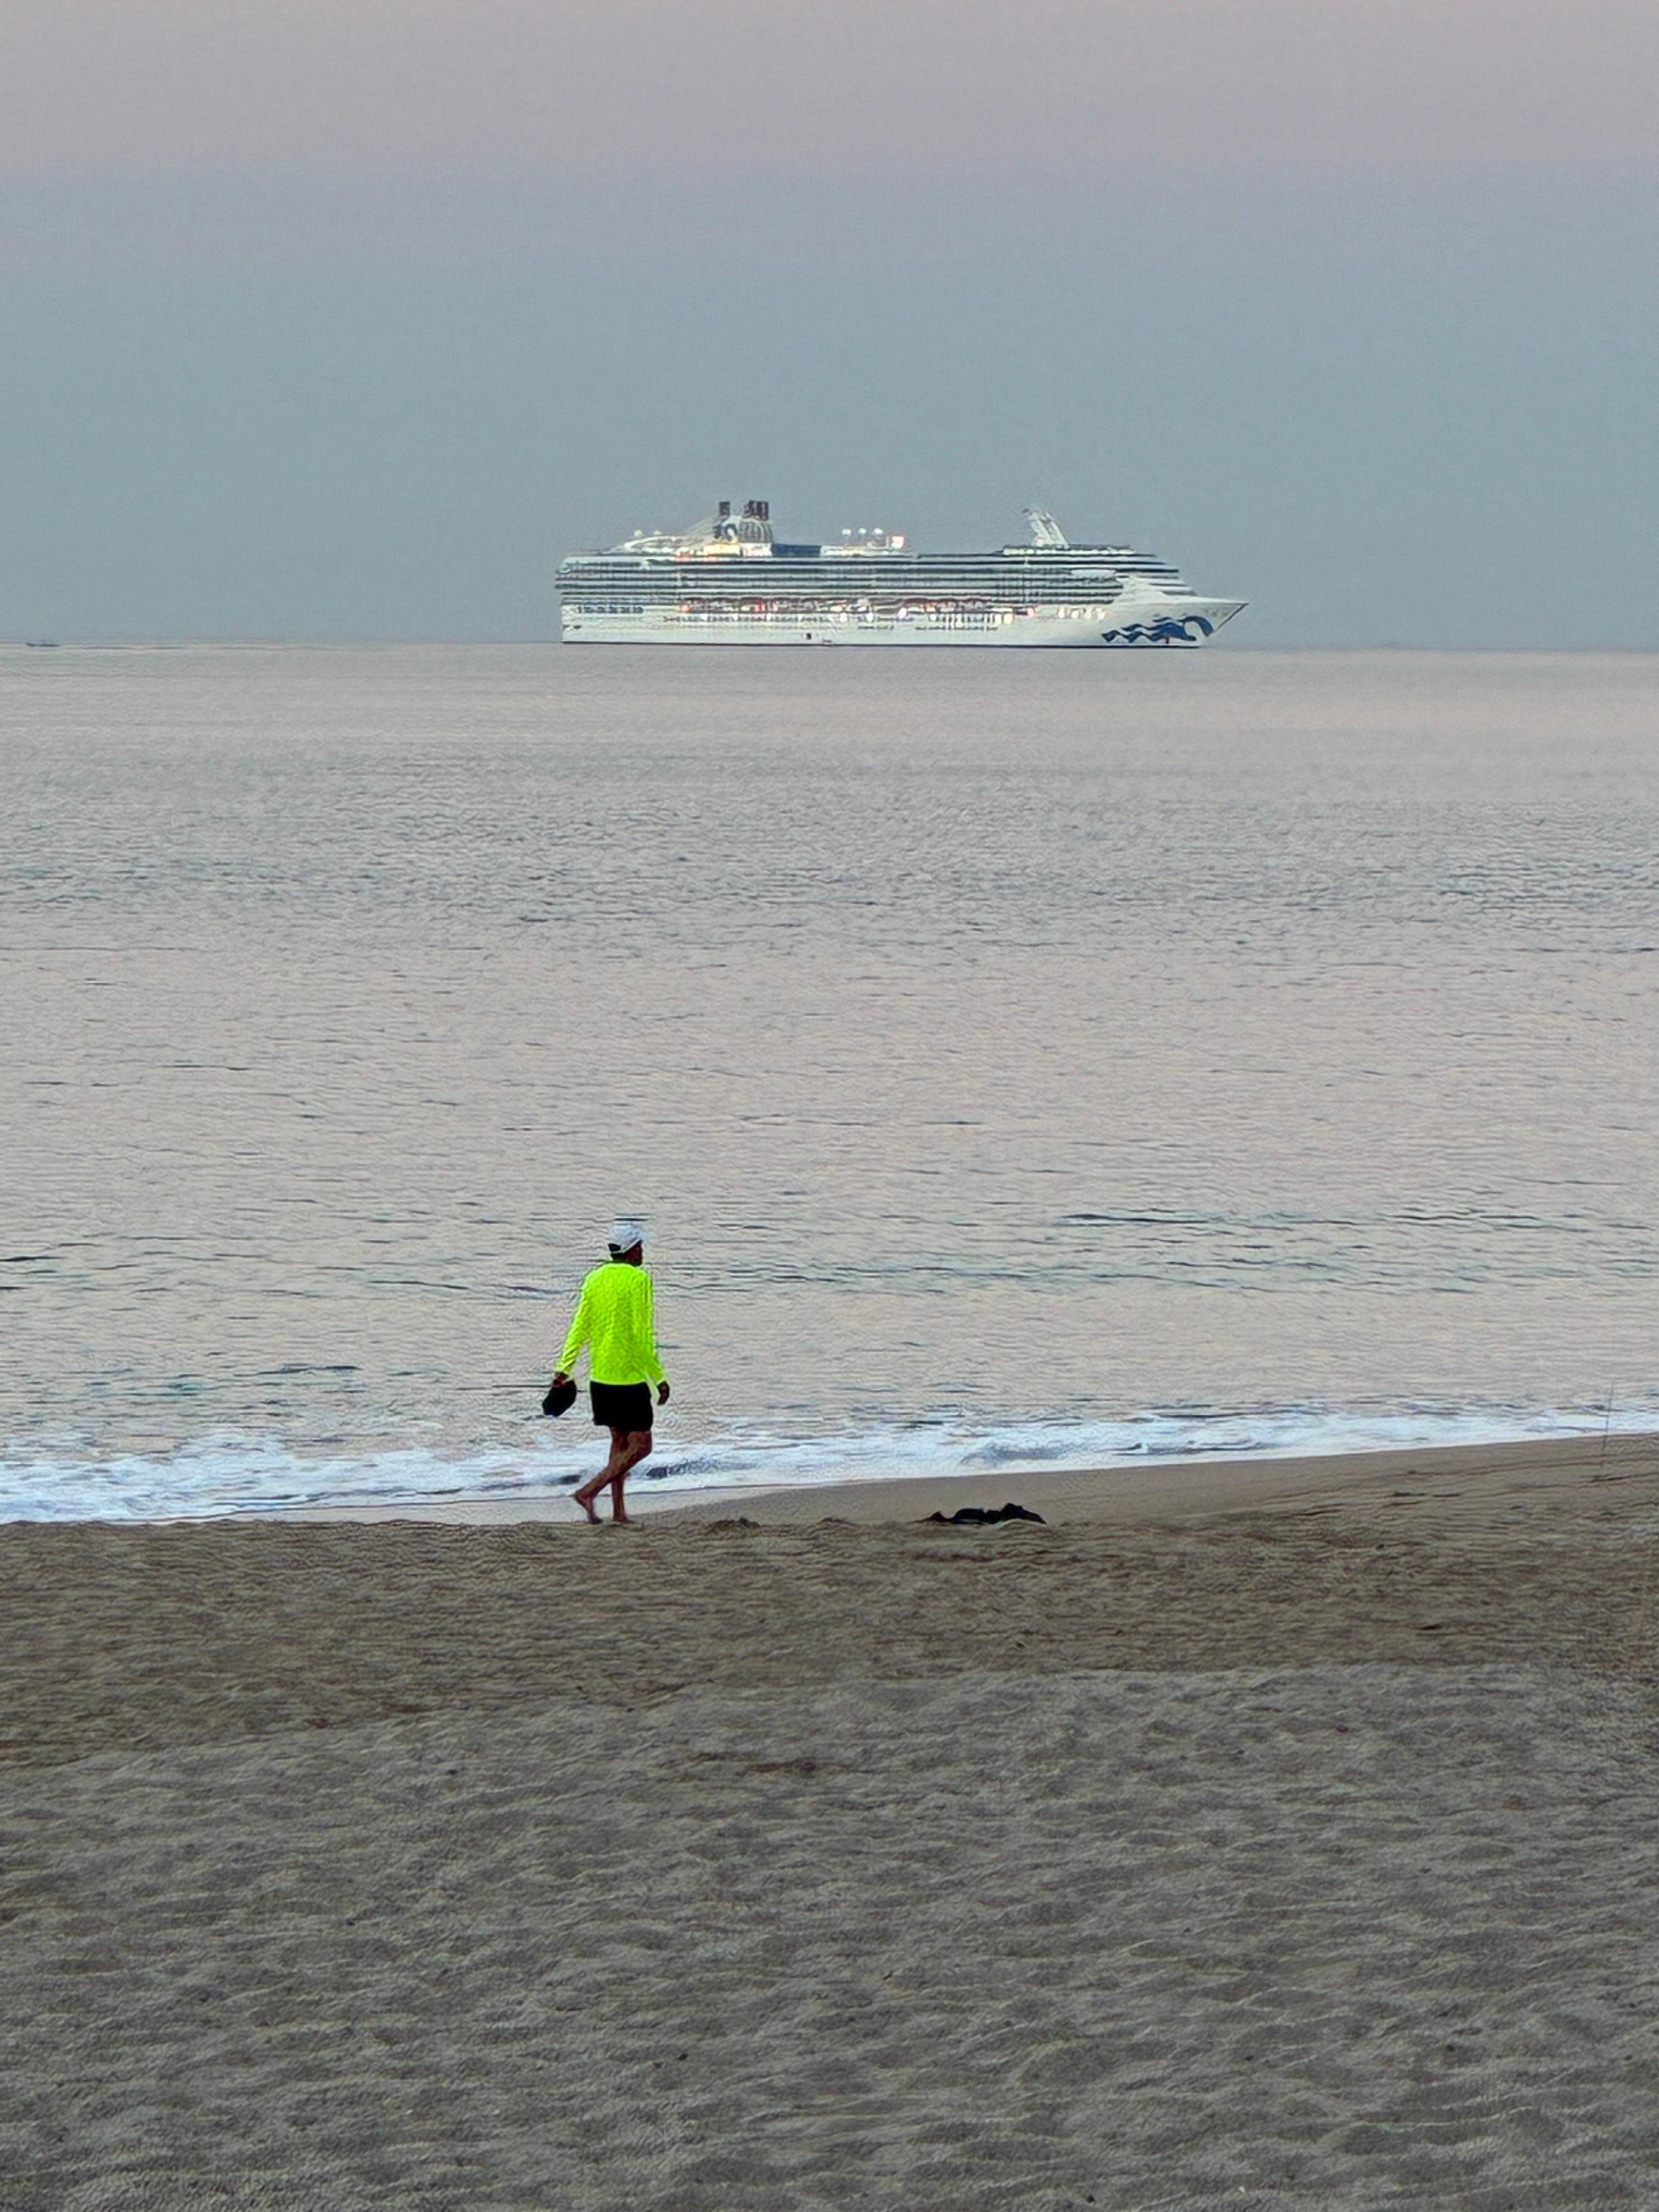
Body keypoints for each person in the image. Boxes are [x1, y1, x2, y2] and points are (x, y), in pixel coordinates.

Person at [550, 1218, 670, 1523]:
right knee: (642, 1444)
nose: (643, 1253)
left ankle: (619, 1512)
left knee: (619, 1444)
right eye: (640, 1247)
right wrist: (659, 1378)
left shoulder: (594, 1278)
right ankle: (590, 1491)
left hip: (600, 1380)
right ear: (631, 1251)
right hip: (629, 1379)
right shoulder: (639, 1280)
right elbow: (643, 1334)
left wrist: (564, 1368)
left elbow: (579, 1327)